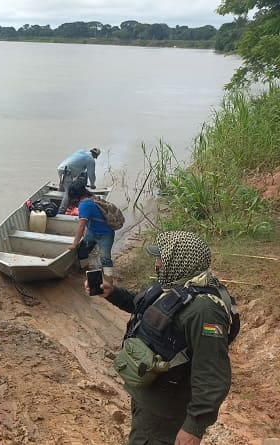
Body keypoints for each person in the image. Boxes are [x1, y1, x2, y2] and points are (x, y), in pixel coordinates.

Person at [91, 231, 238, 445]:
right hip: (149, 396)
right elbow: (144, 307)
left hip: (166, 410)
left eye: (161, 258)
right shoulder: (173, 284)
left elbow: (212, 374)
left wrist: (193, 427)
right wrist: (111, 293)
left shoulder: (205, 310)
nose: (158, 264)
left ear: (179, 260)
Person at [68, 180, 115, 279]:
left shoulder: (84, 205)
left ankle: (108, 282)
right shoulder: (91, 198)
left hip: (105, 234)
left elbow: (81, 226)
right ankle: (85, 272)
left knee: (105, 259)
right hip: (92, 232)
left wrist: (74, 244)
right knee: (83, 251)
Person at [57, 147, 101, 213]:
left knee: (63, 187)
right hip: (67, 172)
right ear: (96, 155)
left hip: (61, 168)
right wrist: (92, 185)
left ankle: (58, 202)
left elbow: (76, 164)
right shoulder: (91, 160)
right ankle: (61, 211)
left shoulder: (80, 151)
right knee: (68, 192)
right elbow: (91, 174)